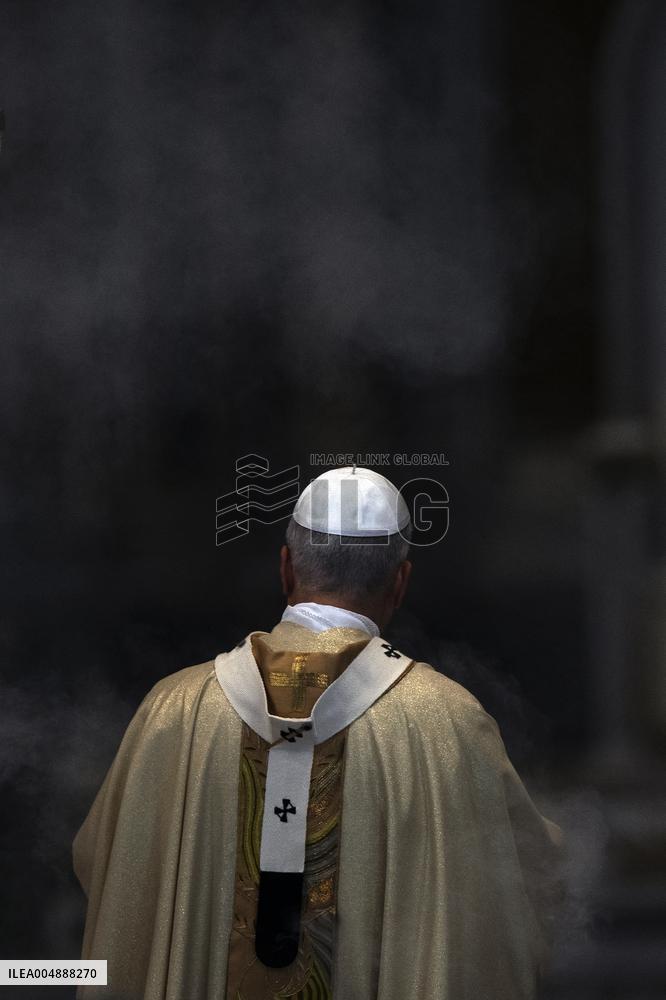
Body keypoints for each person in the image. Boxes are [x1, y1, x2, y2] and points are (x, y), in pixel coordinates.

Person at [73, 466, 564, 999]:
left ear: (286, 568)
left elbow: (107, 863)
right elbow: (522, 882)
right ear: (400, 582)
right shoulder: (447, 723)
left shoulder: (174, 711)